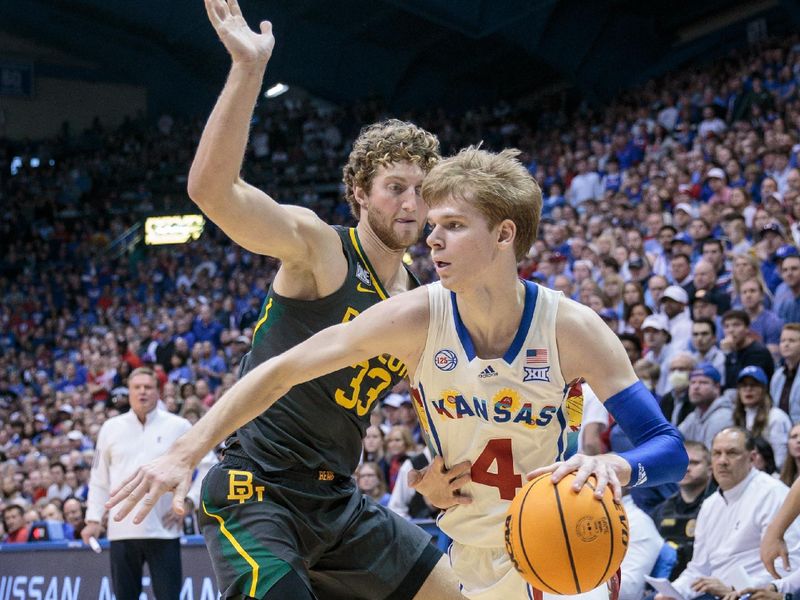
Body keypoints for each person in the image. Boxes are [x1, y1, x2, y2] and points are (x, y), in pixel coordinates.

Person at [109, 147, 687, 600]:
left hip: (557, 541)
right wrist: (188, 450)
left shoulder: (572, 327)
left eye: (453, 225)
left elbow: (670, 450)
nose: (431, 237)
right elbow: (283, 369)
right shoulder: (416, 314)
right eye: (431, 224)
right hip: (467, 547)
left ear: (505, 235)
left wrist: (617, 464)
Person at [107, 3, 457, 599]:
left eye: (422, 192)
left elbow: (433, 406)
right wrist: (247, 69)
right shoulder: (320, 249)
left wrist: (429, 471)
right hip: (256, 488)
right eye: (395, 188)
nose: (410, 204)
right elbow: (212, 191)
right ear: (359, 193)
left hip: (338, 501)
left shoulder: (419, 304)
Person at [82, 367, 194, 600]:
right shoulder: (110, 428)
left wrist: (189, 502)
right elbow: (99, 477)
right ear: (129, 392)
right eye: (137, 387)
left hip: (165, 530)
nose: (142, 392)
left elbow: (205, 466)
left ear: (158, 392)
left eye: (148, 387)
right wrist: (93, 519)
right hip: (121, 530)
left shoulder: (179, 426)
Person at [656, 428, 800, 600]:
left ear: (752, 458)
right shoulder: (709, 505)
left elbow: (788, 566)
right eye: (717, 453)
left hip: (751, 593)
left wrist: (735, 588)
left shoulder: (773, 493)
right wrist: (673, 592)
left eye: (732, 453)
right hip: (714, 593)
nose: (722, 461)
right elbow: (698, 569)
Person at [651, 441, 715, 579]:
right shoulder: (661, 511)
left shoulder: (718, 506)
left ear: (710, 469)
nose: (686, 468)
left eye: (694, 463)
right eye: (681, 462)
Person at [732, 366, 792, 469]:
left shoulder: (776, 417)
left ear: (764, 389)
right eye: (744, 385)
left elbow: (781, 462)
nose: (748, 389)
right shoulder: (739, 416)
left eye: (753, 385)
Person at [678, 363, 734, 450]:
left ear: (717, 388)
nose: (696, 387)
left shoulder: (723, 417)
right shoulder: (694, 416)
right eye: (692, 382)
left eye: (703, 382)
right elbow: (675, 439)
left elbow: (711, 457)